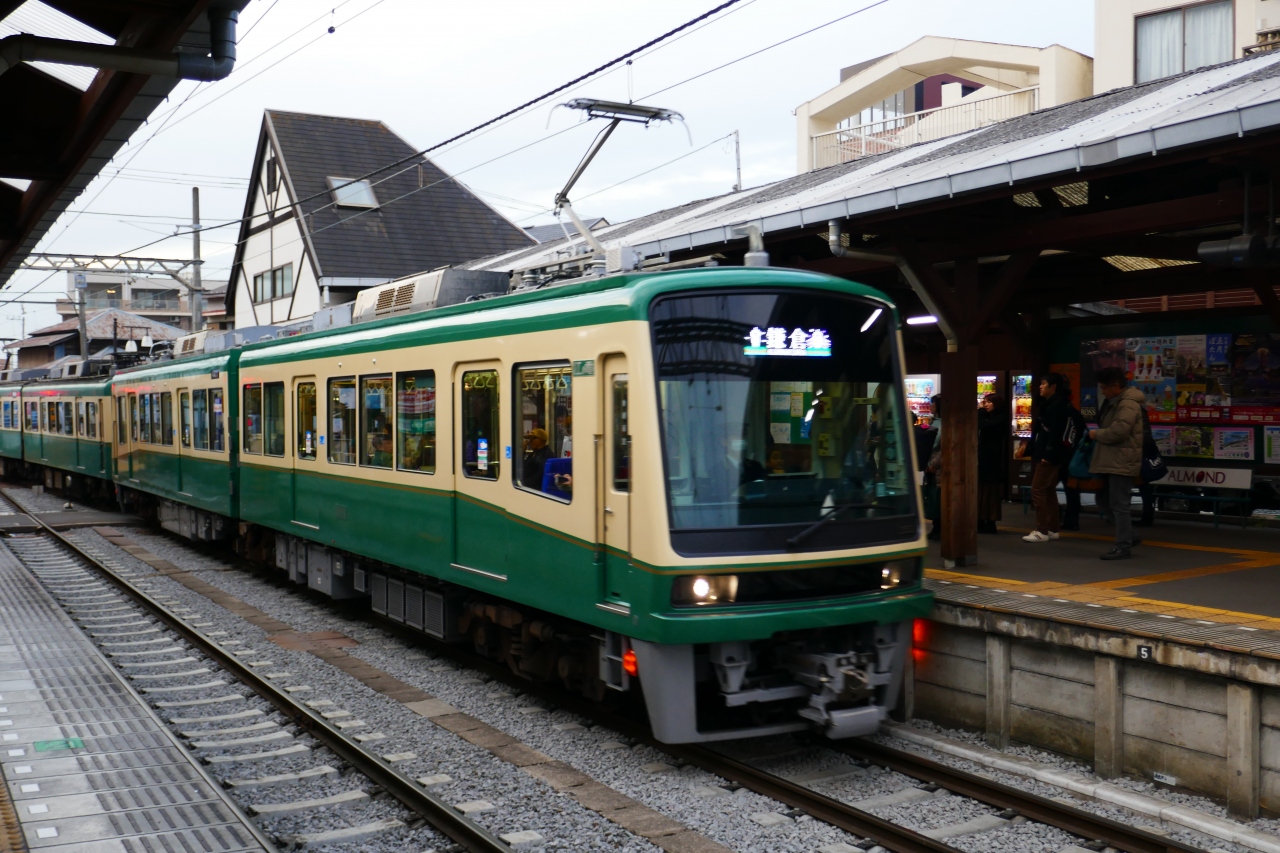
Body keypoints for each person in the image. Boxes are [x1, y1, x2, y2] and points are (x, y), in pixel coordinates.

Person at [1089, 367, 1146, 560]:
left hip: (1122, 460)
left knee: (1118, 504)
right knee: (1103, 500)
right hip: (1112, 459)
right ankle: (1129, 536)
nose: (1103, 391)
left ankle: (1123, 545)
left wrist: (1097, 434)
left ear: (1115, 385)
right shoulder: (1116, 401)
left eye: (1104, 387)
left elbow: (1119, 431)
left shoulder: (1127, 403)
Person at [1023, 374, 1073, 543]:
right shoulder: (1059, 404)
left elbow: (1054, 433)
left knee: (1037, 490)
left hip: (1048, 454)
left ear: (1053, 387)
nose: (1040, 387)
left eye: (1043, 384)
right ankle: (1052, 528)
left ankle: (1041, 530)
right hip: (1054, 454)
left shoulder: (1055, 406)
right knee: (1049, 490)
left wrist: (1047, 454)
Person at [976, 393, 1006, 534]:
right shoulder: (990, 417)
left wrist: (980, 411)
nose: (985, 404)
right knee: (982, 491)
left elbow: (983, 426)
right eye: (984, 402)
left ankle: (990, 521)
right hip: (985, 459)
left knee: (990, 492)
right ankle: (981, 520)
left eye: (989, 402)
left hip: (993, 460)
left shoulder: (1000, 418)